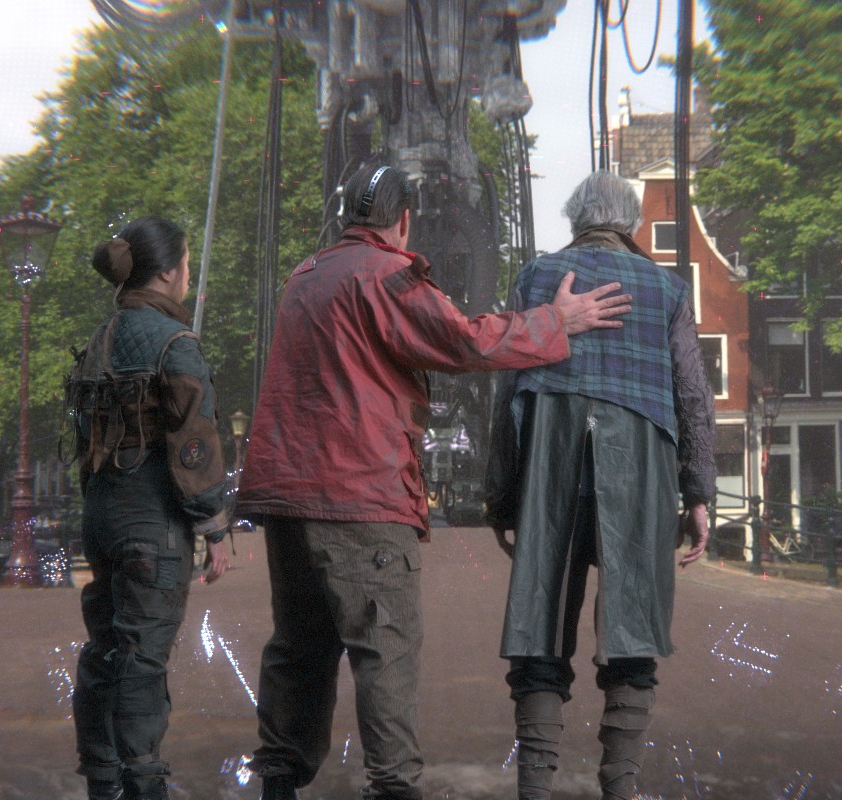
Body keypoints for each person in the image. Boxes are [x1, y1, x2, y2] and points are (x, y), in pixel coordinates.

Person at [237, 163, 634, 800]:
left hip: (287, 497)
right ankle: (393, 787)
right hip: (360, 497)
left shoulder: (304, 276)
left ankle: (279, 784)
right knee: (384, 650)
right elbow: (463, 343)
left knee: (298, 649)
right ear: (403, 221)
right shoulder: (387, 275)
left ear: (345, 214)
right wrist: (555, 321)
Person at [485, 171, 716, 800]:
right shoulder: (667, 289)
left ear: (575, 220)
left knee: (540, 625)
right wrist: (698, 493)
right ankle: (620, 786)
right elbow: (693, 397)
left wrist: (501, 496)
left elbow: (507, 392)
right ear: (631, 224)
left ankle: (535, 788)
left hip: (550, 465)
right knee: (633, 628)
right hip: (639, 468)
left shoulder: (537, 277)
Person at [67, 216, 234, 800]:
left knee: (104, 649)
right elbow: (194, 443)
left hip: (100, 517)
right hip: (151, 523)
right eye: (186, 264)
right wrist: (215, 527)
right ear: (166, 273)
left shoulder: (100, 339)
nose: (188, 275)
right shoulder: (175, 343)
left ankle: (102, 779)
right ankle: (142, 784)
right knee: (141, 658)